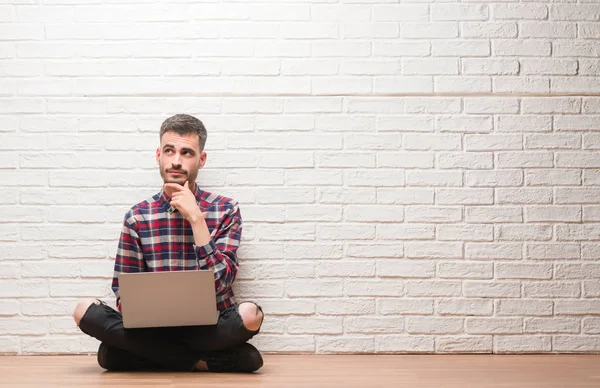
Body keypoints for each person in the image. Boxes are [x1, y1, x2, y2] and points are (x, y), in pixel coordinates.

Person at [72, 114, 264, 373]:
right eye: (169, 151)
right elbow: (122, 290)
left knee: (251, 315)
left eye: (186, 152)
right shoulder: (138, 216)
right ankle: (197, 360)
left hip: (209, 327)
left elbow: (222, 284)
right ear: (158, 155)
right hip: (152, 329)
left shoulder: (226, 210)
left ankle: (151, 356)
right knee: (84, 310)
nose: (176, 161)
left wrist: (196, 218)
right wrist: (148, 313)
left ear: (201, 159)